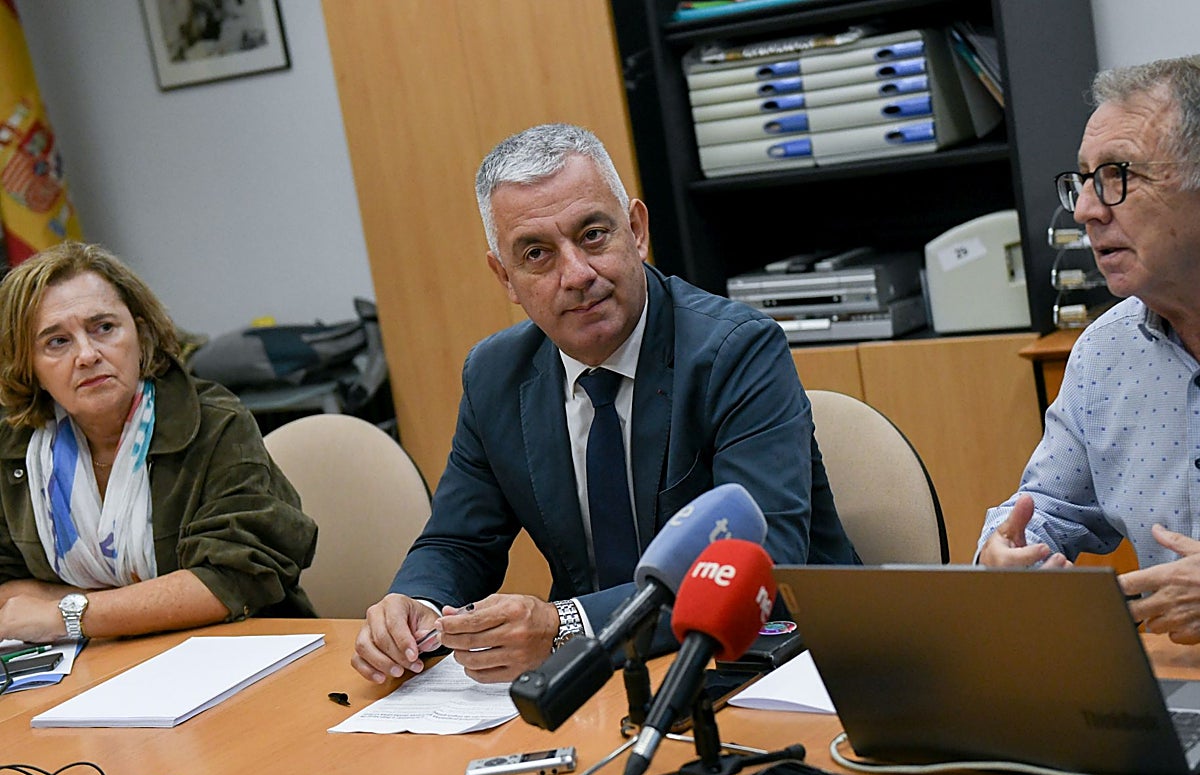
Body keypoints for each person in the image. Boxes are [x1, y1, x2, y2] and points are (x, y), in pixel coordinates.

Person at [353, 123, 858, 685]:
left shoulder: (735, 350)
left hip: (770, 666)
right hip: (599, 685)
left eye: (592, 234)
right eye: (537, 254)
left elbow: (759, 559)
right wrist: (415, 603)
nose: (577, 275)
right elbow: (458, 540)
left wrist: (564, 624)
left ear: (636, 231)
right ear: (506, 278)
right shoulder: (496, 374)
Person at [977, 55, 1200, 643]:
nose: (1085, 211)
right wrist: (1005, 551)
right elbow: (1049, 505)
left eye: (1117, 176)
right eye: (1084, 180)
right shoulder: (1108, 350)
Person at [0, 241, 317, 644]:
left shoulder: (213, 421)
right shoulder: (16, 446)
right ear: (27, 364)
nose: (87, 355)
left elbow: (234, 579)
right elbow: (8, 592)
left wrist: (66, 615)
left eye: (104, 328)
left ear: (141, 332)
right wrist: (128, 608)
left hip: (239, 651)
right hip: (98, 664)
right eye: (57, 342)